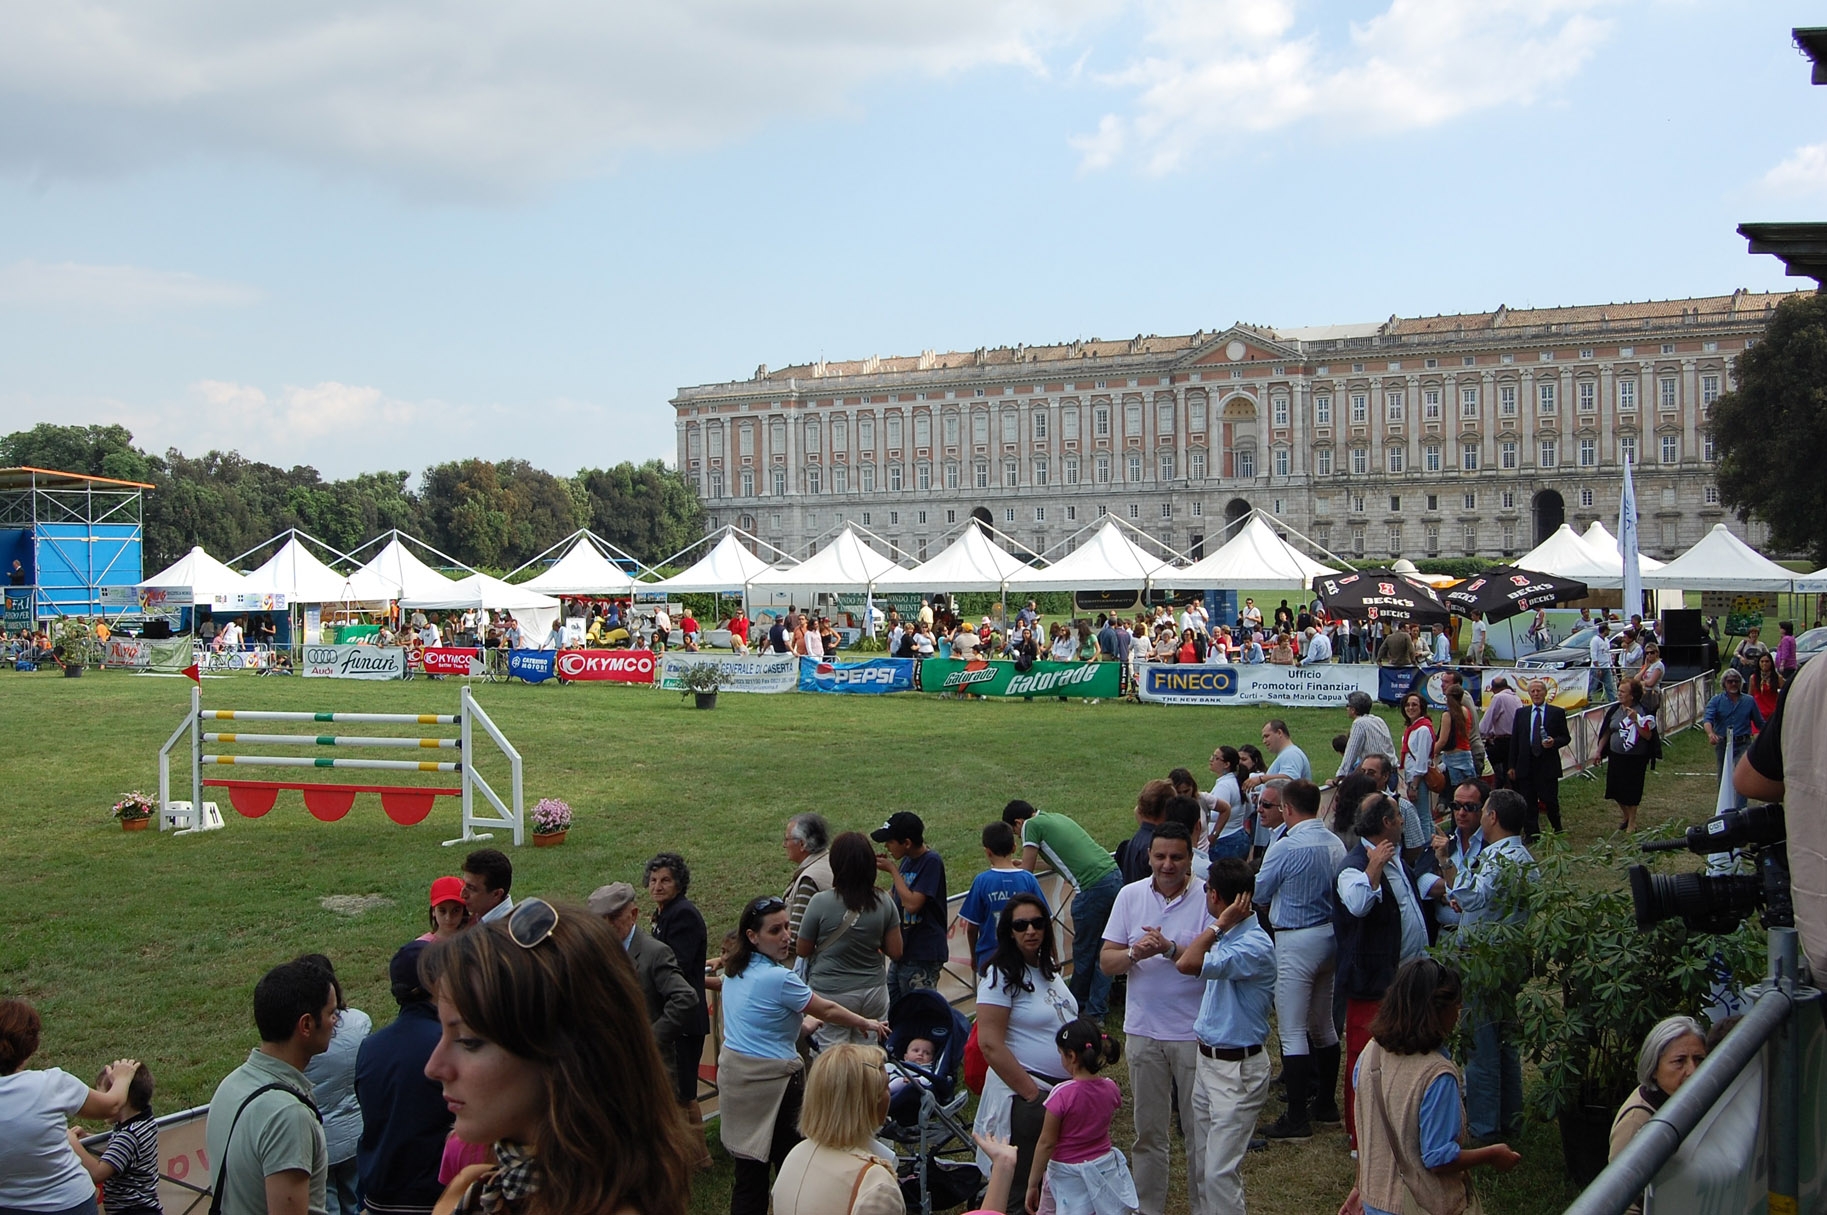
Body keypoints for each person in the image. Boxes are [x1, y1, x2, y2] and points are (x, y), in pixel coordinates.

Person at [422, 897, 697, 1215]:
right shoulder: (477, 1188)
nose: (434, 1067)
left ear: (569, 1057)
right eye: (442, 1031)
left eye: (469, 1041)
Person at [719, 894, 888, 1215]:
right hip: (775, 1086)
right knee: (794, 1167)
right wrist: (866, 1022)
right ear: (752, 936)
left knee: (748, 1176)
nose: (786, 937)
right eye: (775, 931)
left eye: (787, 927)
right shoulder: (778, 977)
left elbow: (767, 1022)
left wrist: (807, 1024)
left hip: (735, 1081)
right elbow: (825, 1007)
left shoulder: (735, 969)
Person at [1339, 958, 1522, 1215]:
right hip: (1420, 1205)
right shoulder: (1437, 1075)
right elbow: (1439, 1158)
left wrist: (1360, 1186)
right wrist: (1493, 1154)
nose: (1458, 1015)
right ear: (1437, 1011)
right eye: (1456, 1007)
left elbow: (1367, 1128)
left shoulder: (1371, 1053)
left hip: (1373, 1202)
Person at [1098, 822, 1209, 1212]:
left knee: (1201, 1132)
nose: (1167, 865)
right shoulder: (1130, 896)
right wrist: (1134, 954)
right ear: (1148, 857)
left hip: (1193, 1033)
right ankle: (1148, 1207)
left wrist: (1170, 948)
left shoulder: (1207, 897)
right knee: (1148, 1132)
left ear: (1190, 858)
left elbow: (1212, 964)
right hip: (1143, 1032)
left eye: (1176, 857)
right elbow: (1107, 962)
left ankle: (1205, 1206)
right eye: (1160, 856)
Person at [1172, 856, 1277, 1215]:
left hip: (1236, 1072)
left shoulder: (1252, 946)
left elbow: (1187, 965)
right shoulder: (1235, 935)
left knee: (1219, 1172)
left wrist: (1218, 926)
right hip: (1209, 1061)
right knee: (1202, 1161)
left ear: (1216, 896)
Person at [1336, 794, 1433, 1151]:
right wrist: (1373, 867)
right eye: (1398, 816)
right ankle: (1361, 1139)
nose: (1404, 821)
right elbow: (1359, 905)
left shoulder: (1397, 859)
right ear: (1386, 824)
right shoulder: (1354, 866)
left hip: (1404, 979)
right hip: (1371, 983)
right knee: (1365, 1062)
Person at [972, 892, 1077, 1215]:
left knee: (1052, 1187)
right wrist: (1032, 1095)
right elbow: (989, 1043)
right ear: (1009, 931)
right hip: (1027, 1100)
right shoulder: (999, 975)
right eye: (1021, 925)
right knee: (1020, 1193)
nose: (1030, 930)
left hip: (1062, 1096)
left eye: (1037, 923)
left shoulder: (1048, 971)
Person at [1253, 779, 1347, 1139]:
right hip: (1328, 935)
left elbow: (1260, 890)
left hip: (1295, 938)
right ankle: (1324, 1101)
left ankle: (1296, 1116)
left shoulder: (1286, 845)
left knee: (1293, 1029)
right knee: (1323, 1024)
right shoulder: (1334, 842)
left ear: (1288, 809)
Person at [1443, 789, 1537, 1144]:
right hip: (1510, 957)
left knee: (1481, 1046)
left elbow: (1475, 894)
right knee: (1504, 1042)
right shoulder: (1522, 856)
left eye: (1481, 809)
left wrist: (1450, 873)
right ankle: (1510, 1118)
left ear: (1492, 817)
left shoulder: (1498, 858)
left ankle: (1484, 1128)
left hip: (1484, 960)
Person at [206, 958, 336, 1215]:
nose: (336, 1021)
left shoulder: (230, 1085)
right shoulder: (288, 1115)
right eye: (332, 1013)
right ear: (306, 1025)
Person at [0, 998, 143, 1215]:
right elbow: (112, 1106)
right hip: (70, 1204)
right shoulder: (52, 1084)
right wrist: (123, 1076)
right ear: (30, 1045)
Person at [1004, 799, 1123, 1023]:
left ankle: (1073, 1008)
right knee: (1104, 949)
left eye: (1016, 833)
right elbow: (1058, 861)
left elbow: (1027, 873)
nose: (1020, 837)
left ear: (1019, 822)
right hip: (1113, 875)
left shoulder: (1031, 825)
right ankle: (1096, 1011)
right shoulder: (1055, 817)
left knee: (1084, 953)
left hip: (1091, 888)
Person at [354, 941, 451, 1215]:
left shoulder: (370, 1047)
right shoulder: (447, 1045)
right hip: (432, 1201)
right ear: (435, 982)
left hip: (377, 1199)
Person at [796, 832, 903, 1049]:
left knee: (833, 1060)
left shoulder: (820, 902)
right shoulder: (884, 901)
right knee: (869, 1057)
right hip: (873, 992)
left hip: (831, 995)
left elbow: (802, 949)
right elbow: (896, 951)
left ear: (836, 864)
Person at [771, 1044, 904, 1215]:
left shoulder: (797, 1154)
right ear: (869, 1102)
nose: (890, 1092)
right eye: (885, 1086)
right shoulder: (876, 1185)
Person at [1023, 1019, 1137, 1215]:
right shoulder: (1111, 1088)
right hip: (1104, 1168)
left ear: (1072, 1056)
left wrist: (1032, 1184)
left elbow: (1046, 1143)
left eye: (1061, 1054)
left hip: (1067, 1176)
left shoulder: (1061, 1094)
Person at [588, 882, 700, 1082]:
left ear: (633, 914)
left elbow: (685, 998)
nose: (606, 925)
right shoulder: (594, 953)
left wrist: (649, 1039)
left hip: (648, 1071)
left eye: (613, 918)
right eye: (599, 920)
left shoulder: (654, 953)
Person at [644, 852, 712, 1164]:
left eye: (665, 880)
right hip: (680, 1017)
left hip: (686, 1019)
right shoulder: (666, 913)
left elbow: (678, 968)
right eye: (654, 880)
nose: (657, 886)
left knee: (685, 1093)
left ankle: (700, 1157)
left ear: (679, 883)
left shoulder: (682, 915)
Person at [1609, 1016, 1708, 1215]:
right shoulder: (1636, 1122)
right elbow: (1622, 1201)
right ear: (1654, 1068)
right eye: (1679, 1061)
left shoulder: (1694, 1100)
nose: (1692, 1071)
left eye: (1699, 1059)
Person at [300, 956, 370, 1215]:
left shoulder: (303, 1039)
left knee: (326, 1205)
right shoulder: (360, 1023)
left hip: (321, 1140)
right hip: (354, 1132)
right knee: (353, 1201)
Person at [65, 1062, 162, 1215]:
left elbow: (98, 1173)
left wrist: (72, 1143)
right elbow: (121, 1152)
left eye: (103, 1097)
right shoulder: (142, 1122)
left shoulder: (129, 1135)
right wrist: (88, 1139)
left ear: (122, 1098)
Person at [870, 813, 947, 1003]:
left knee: (919, 1010)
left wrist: (893, 870)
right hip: (904, 952)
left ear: (906, 842)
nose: (886, 846)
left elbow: (912, 904)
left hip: (923, 953)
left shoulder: (931, 862)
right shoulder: (907, 861)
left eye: (889, 841)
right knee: (894, 1008)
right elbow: (895, 896)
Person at [959, 822, 1046, 972]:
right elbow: (1045, 918)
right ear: (1014, 847)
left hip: (990, 958)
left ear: (987, 852)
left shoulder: (981, 881)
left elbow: (972, 927)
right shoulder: (1028, 879)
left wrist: (974, 956)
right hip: (1024, 955)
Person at [1508, 680, 1570, 838]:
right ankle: (1532, 833)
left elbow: (1565, 737)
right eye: (1533, 691)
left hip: (1547, 763)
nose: (1536, 694)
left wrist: (1554, 742)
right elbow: (1515, 740)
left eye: (1539, 691)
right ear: (1529, 694)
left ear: (1545, 693)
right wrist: (1511, 765)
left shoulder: (1556, 712)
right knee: (1528, 801)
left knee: (1550, 800)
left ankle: (1557, 827)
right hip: (1526, 764)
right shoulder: (1521, 713)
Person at [1599, 678, 1658, 832]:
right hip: (1616, 755)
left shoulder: (1643, 711)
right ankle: (1625, 815)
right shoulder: (1615, 710)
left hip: (1635, 757)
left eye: (1623, 691)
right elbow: (1607, 731)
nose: (1619, 693)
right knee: (1614, 789)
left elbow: (1648, 736)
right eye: (1618, 690)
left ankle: (1632, 821)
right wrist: (1599, 751)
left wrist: (1635, 721)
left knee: (1631, 790)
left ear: (1632, 695)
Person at [1426, 784, 1486, 937]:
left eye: (1469, 807)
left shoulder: (1492, 846)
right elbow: (1421, 880)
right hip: (1445, 937)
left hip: (1480, 939)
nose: (1461, 813)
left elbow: (1479, 893)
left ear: (1485, 809)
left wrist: (1447, 877)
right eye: (1456, 806)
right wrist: (1451, 892)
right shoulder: (1445, 839)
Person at [1704, 669, 1764, 809]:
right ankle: (1723, 807)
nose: (1733, 684)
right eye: (1730, 681)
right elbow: (1708, 720)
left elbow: (1760, 723)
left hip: (1743, 743)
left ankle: (1740, 809)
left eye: (1736, 681)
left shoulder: (1749, 701)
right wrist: (1710, 733)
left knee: (1741, 776)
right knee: (1723, 775)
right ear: (1724, 684)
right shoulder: (1716, 700)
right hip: (1723, 743)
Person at [781, 813, 833, 951]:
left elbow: (795, 938)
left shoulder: (809, 880)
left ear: (802, 844)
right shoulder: (830, 861)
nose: (784, 845)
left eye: (787, 840)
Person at [1205, 745, 1250, 863]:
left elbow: (1216, 814)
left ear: (1226, 764)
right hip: (1238, 837)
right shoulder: (1234, 781)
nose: (1211, 759)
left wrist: (1200, 812)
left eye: (1216, 758)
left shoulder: (1224, 786)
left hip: (1225, 842)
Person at [1398, 692, 1437, 828]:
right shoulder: (1411, 728)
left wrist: (1414, 785)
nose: (1410, 708)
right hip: (1411, 777)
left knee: (1422, 817)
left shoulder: (1423, 729)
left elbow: (1421, 759)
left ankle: (1426, 847)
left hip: (1418, 779)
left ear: (1421, 708)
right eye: (1407, 705)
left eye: (1414, 705)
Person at [1338, 691, 1396, 781]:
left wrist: (1340, 776)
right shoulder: (1378, 720)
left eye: (1348, 705)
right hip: (1392, 772)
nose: (1347, 708)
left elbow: (1351, 752)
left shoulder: (1359, 723)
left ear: (1353, 709)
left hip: (1376, 775)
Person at [1245, 718, 1311, 791]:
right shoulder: (1287, 753)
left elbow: (1289, 779)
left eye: (1267, 736)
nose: (1264, 741)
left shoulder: (1291, 754)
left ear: (1279, 733)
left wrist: (1261, 779)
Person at [1480, 676, 1521, 791]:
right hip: (1515, 740)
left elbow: (1487, 721)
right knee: (1509, 770)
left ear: (1493, 689)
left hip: (1504, 741)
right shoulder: (1515, 697)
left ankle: (1490, 789)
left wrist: (1481, 735)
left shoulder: (1499, 697)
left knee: (1483, 761)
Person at [1433, 686, 1477, 792]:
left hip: (1452, 756)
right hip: (1466, 754)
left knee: (1455, 792)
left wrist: (1431, 753)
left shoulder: (1447, 714)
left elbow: (1443, 740)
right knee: (1469, 790)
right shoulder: (1466, 711)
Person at [460, 849, 514, 926]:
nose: (462, 895)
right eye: (464, 884)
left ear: (496, 894)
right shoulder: (478, 916)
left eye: (471, 888)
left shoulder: (502, 933)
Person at [421, 875, 469, 942]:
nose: (448, 918)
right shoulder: (422, 945)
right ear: (433, 911)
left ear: (463, 910)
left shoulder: (473, 940)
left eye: (455, 911)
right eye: (442, 911)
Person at [1748, 653, 1784, 723]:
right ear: (1758, 663)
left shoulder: (1778, 678)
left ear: (1771, 663)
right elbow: (1750, 695)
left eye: (1767, 661)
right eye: (1762, 661)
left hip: (1772, 713)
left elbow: (1784, 694)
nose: (1764, 664)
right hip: (1758, 713)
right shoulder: (1753, 678)